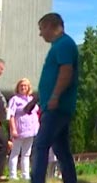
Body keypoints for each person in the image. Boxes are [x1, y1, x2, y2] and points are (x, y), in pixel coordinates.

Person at [31, 13, 79, 183]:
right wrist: (35, 100)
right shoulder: (59, 45)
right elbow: (50, 78)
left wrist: (55, 96)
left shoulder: (64, 44)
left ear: (51, 25)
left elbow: (66, 71)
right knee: (62, 150)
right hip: (54, 105)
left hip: (56, 107)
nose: (40, 33)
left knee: (40, 146)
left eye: (41, 28)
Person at [7, 78, 38, 180]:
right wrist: (13, 129)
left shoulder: (31, 99)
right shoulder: (14, 100)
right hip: (19, 130)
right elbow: (10, 116)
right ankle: (13, 175)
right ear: (18, 87)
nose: (23, 87)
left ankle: (26, 175)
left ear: (29, 87)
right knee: (15, 153)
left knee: (26, 154)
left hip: (31, 131)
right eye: (21, 85)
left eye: (25, 85)